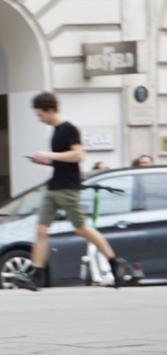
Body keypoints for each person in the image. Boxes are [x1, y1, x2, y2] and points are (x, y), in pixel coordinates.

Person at [24, 91, 126, 289]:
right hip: (54, 186)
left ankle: (115, 264)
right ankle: (36, 275)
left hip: (68, 189)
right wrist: (45, 161)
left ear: (51, 110)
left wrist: (49, 154)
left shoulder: (68, 129)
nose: (39, 119)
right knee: (41, 229)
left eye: (40, 114)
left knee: (82, 229)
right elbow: (63, 162)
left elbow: (78, 156)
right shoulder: (55, 130)